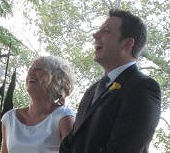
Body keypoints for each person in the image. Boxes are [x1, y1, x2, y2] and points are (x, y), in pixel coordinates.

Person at [59, 9, 161, 153]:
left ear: (128, 43)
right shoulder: (93, 89)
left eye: (106, 31)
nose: (95, 35)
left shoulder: (143, 88)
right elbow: (71, 143)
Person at [1, 56, 75, 153]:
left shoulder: (64, 117)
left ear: (56, 78)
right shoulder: (9, 118)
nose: (30, 72)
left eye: (38, 69)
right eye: (30, 69)